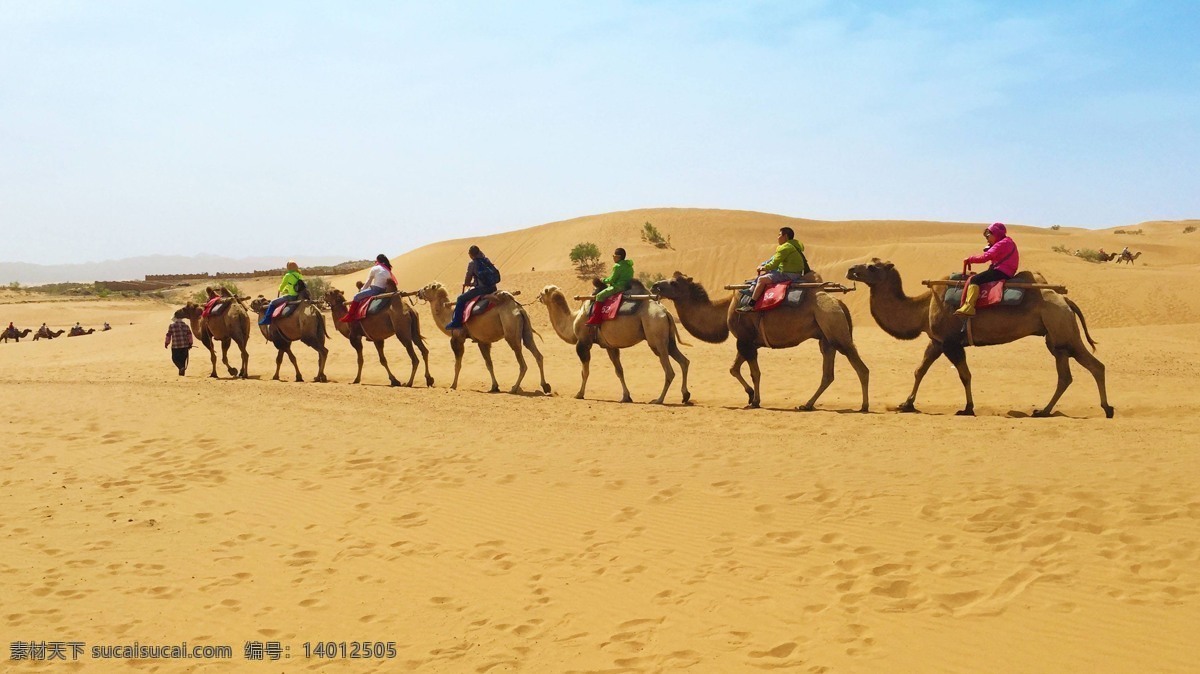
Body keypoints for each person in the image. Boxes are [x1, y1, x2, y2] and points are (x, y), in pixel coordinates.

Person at [736, 227, 809, 312]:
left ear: (785, 236)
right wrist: (766, 265)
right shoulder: (794, 246)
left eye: (779, 235)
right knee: (770, 273)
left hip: (788, 274)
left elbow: (774, 264)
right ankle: (752, 289)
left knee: (762, 279)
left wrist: (763, 267)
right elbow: (775, 260)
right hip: (796, 273)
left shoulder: (785, 247)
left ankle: (750, 305)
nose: (777, 237)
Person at [955, 222, 1019, 318]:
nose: (987, 238)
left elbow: (986, 257)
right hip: (1006, 271)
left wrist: (970, 259)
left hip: (1001, 271)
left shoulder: (1002, 244)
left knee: (975, 279)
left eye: (988, 235)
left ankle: (969, 307)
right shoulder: (1008, 242)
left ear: (996, 234)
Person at [446, 246, 501, 330]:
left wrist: (467, 284)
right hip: (493, 288)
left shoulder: (472, 264)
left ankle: (456, 322)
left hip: (481, 290)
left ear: (471, 255)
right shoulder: (486, 260)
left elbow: (468, 279)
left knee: (460, 298)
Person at [587, 248, 634, 325]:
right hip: (628, 287)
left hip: (618, 287)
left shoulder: (617, 266)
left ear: (618, 257)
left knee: (599, 296)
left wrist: (603, 280)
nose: (613, 257)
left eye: (614, 256)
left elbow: (611, 279)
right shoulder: (629, 265)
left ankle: (596, 318)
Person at [259, 261, 305, 325]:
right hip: (299, 296)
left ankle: (267, 319)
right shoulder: (299, 275)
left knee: (273, 302)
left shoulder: (288, 275)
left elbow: (282, 286)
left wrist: (280, 289)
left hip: (291, 297)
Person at [164, 309, 194, 376]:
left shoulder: (171, 326)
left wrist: (167, 343)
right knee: (183, 359)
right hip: (185, 345)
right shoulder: (186, 325)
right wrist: (190, 343)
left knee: (175, 358)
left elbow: (168, 335)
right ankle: (181, 372)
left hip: (176, 346)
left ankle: (181, 368)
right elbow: (189, 335)